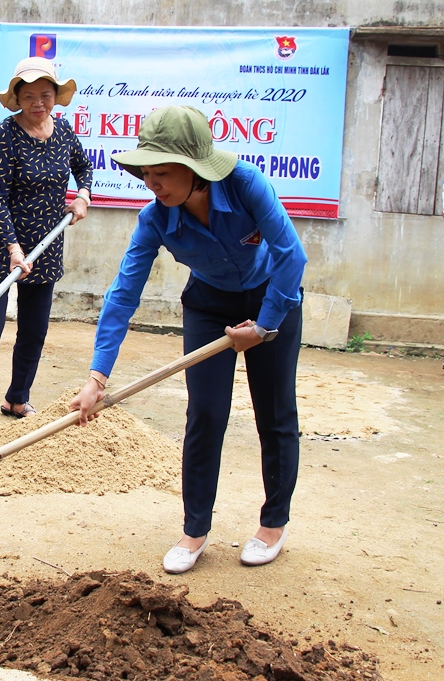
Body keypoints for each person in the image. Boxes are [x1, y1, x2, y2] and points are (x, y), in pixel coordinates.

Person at [70, 105, 308, 574]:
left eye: (161, 172)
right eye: (145, 172)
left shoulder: (246, 185)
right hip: (209, 305)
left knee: (275, 412)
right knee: (205, 413)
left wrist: (263, 325)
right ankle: (194, 530)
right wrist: (97, 377)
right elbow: (123, 294)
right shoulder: (155, 218)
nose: (150, 182)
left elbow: (291, 257)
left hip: (272, 301)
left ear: (195, 170)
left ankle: (272, 524)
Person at [0, 57, 92, 439]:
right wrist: (14, 248)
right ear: (17, 98)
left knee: (34, 329)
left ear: (56, 97)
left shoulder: (63, 132)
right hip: (1, 247)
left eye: (45, 95)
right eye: (29, 96)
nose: (38, 103)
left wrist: (82, 193)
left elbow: (84, 167)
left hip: (46, 246)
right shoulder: (2, 137)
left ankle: (17, 398)